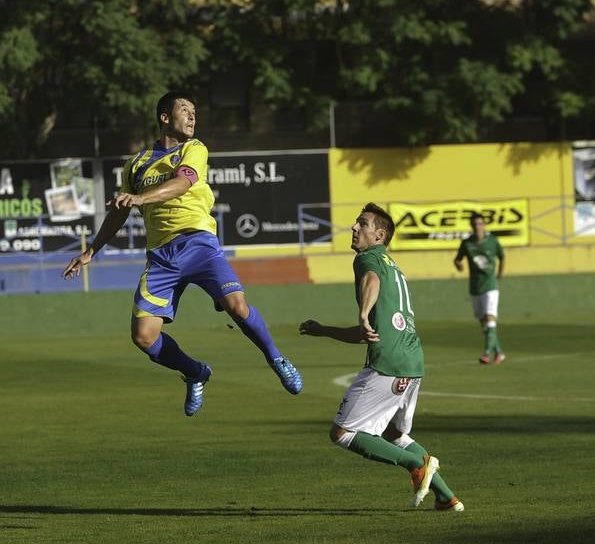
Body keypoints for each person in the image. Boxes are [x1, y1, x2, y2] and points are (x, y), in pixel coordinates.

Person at [63, 90, 302, 415]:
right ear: (165, 117)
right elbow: (120, 211)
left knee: (237, 305)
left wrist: (141, 198)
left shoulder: (194, 149)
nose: (192, 116)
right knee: (143, 336)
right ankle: (195, 372)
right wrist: (91, 251)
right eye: (184, 110)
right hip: (161, 256)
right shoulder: (135, 165)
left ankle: (276, 358)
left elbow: (183, 182)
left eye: (194, 111)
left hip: (199, 244)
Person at [299, 203, 463, 512]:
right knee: (394, 433)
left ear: (379, 235)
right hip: (412, 361)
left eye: (362, 223)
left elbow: (370, 281)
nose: (354, 228)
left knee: (342, 433)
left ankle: (416, 465)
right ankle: (446, 497)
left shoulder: (368, 258)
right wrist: (325, 330)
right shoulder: (393, 266)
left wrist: (363, 313)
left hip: (387, 363)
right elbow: (368, 332)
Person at [454, 212, 505, 365]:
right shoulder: (467, 243)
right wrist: (458, 265)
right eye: (475, 224)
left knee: (490, 317)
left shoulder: (492, 241)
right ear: (471, 226)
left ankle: (487, 353)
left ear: (484, 225)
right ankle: (499, 352)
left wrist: (500, 274)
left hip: (490, 285)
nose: (478, 227)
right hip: (475, 287)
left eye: (480, 223)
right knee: (484, 322)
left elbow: (502, 257)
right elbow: (457, 259)